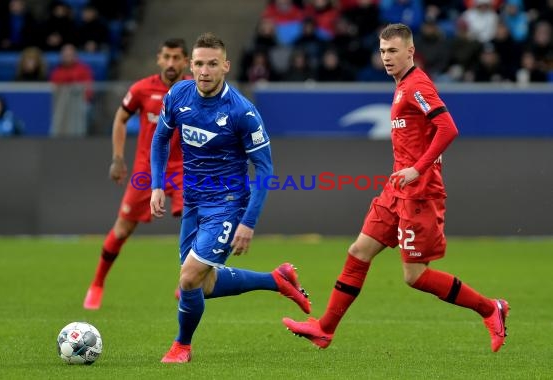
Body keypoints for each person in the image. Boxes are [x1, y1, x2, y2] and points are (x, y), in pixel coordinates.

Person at [282, 23, 509, 353]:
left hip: (420, 193)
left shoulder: (417, 85)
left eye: (393, 51)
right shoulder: (402, 85)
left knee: (414, 276)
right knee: (359, 251)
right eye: (383, 51)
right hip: (396, 190)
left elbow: (448, 128)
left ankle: (491, 308)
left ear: (410, 51)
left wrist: (418, 168)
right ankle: (324, 329)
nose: (386, 57)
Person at [150, 32, 311, 363]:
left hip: (227, 204)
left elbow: (265, 169)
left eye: (212, 64)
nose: (204, 71)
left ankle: (182, 346)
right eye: (198, 64)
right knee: (203, 285)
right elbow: (160, 139)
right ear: (189, 66)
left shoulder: (242, 112)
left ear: (225, 65)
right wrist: (156, 185)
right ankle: (276, 280)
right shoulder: (178, 94)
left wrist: (247, 222)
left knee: (189, 278)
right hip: (193, 201)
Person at [83, 38, 190, 310]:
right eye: (166, 56)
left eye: (176, 57)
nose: (171, 63)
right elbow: (120, 118)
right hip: (147, 170)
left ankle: (187, 283)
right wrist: (117, 158)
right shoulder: (143, 89)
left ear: (186, 61)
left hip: (183, 168)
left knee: (194, 222)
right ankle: (97, 284)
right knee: (122, 229)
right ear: (158, 58)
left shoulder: (195, 89)